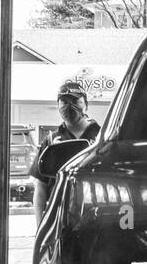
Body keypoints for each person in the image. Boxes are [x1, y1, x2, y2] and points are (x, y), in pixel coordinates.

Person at [32, 80, 100, 226]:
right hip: (60, 220)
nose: (70, 106)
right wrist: (40, 227)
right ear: (58, 106)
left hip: (96, 218)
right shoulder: (50, 141)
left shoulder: (102, 137)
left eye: (76, 101)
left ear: (86, 104)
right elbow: (40, 188)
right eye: (64, 102)